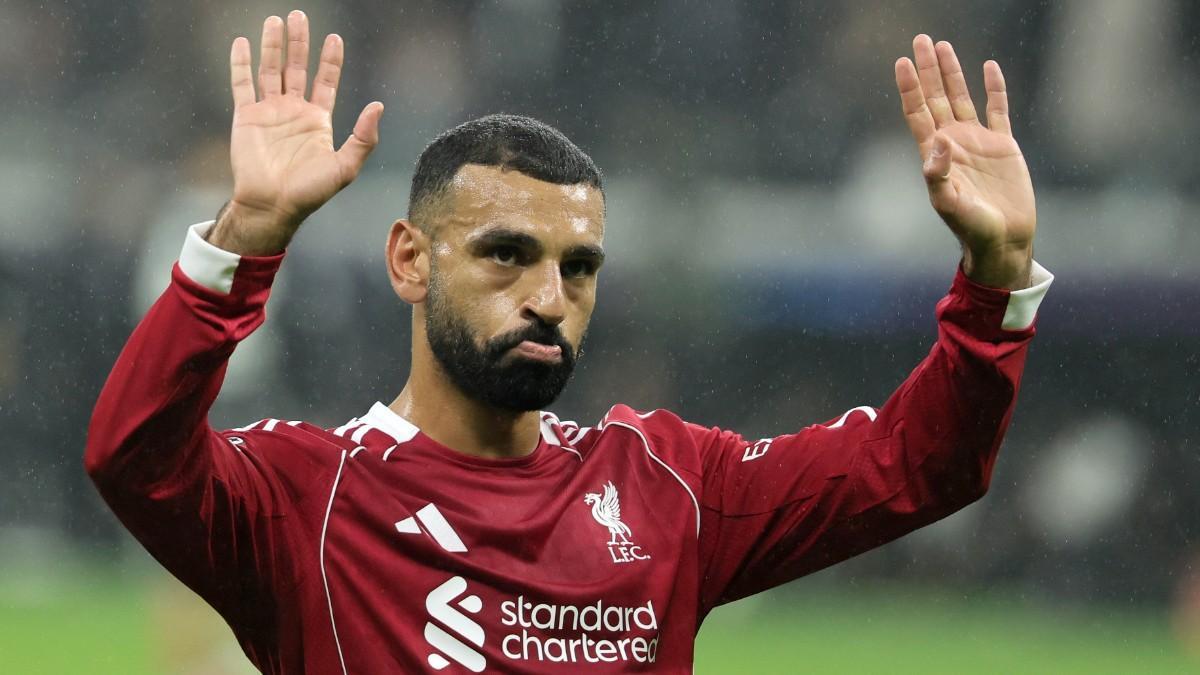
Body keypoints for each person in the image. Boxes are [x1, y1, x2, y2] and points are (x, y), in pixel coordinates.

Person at [85, 10, 1053, 674]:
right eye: (506, 254)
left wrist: (996, 275)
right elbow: (133, 457)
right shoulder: (307, 495)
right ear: (410, 261)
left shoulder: (669, 486)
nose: (548, 297)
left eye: (578, 266)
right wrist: (248, 238)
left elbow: (923, 466)